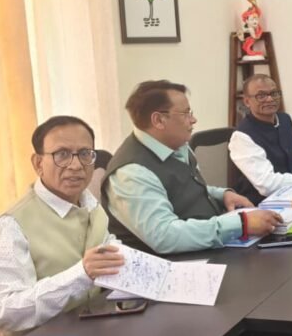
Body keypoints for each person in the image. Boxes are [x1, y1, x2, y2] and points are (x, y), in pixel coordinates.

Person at [0, 116, 124, 333]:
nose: (76, 165)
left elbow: (109, 250)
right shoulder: (9, 226)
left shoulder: (91, 204)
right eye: (62, 154)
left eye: (85, 154)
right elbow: (2, 311)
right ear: (38, 164)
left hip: (90, 329)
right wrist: (81, 275)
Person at [101, 80, 282, 253]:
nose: (193, 120)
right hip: (172, 263)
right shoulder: (131, 173)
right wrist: (241, 224)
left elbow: (182, 187)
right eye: (186, 113)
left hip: (206, 245)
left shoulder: (175, 145)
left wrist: (222, 195)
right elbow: (165, 237)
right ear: (158, 120)